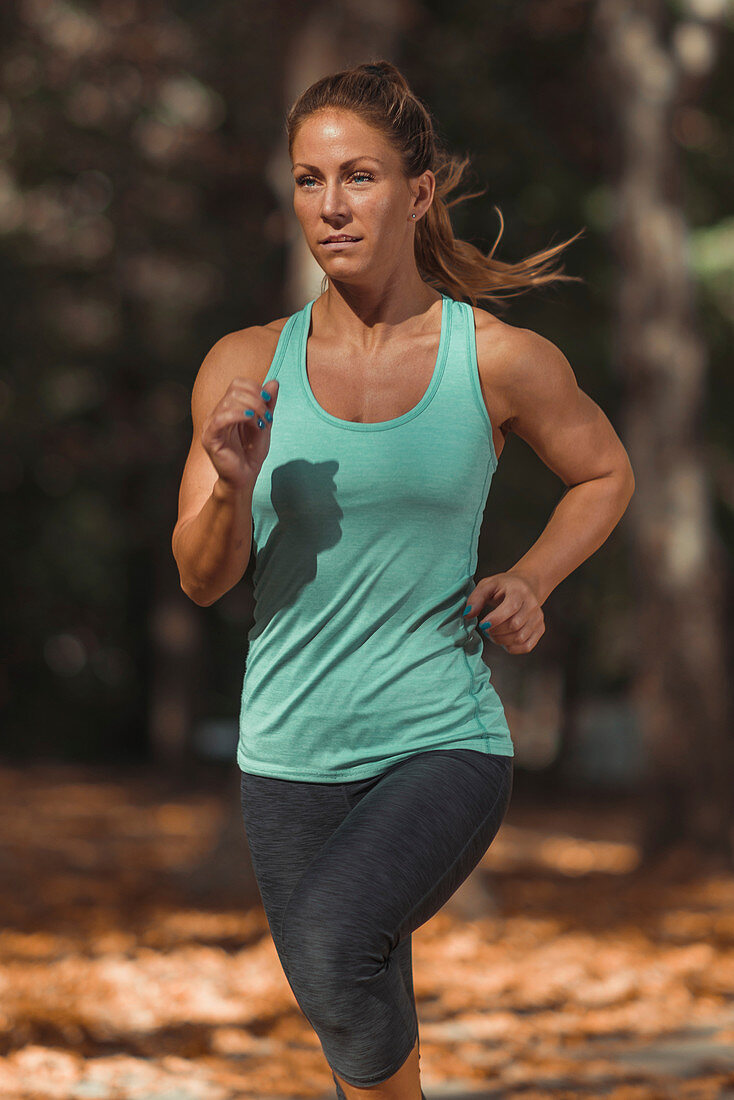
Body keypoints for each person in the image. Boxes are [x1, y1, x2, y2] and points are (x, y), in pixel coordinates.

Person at [172, 59, 635, 1100]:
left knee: (337, 946)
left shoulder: (497, 359)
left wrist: (530, 576)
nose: (329, 206)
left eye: (358, 177)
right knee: (352, 1010)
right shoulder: (245, 367)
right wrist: (226, 486)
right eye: (306, 180)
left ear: (417, 191)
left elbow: (604, 471)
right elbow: (202, 578)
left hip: (440, 736)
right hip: (286, 751)